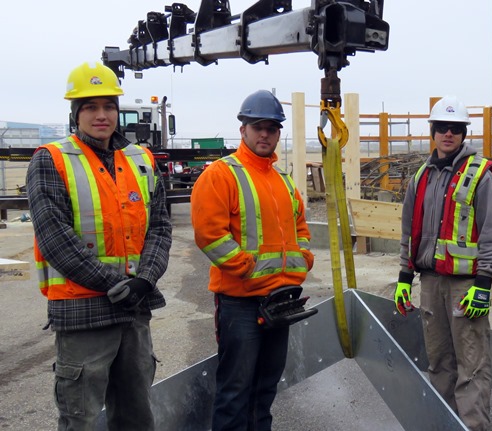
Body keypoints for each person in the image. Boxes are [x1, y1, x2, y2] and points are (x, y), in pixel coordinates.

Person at [26, 62, 172, 430]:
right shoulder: (51, 160)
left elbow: (159, 227)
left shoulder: (141, 159)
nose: (101, 115)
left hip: (134, 309)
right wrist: (115, 283)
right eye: (90, 107)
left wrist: (145, 280)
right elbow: (55, 238)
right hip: (83, 313)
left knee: (137, 416)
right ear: (75, 114)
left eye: (108, 106)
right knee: (82, 419)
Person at [190, 89, 314, 431]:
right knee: (235, 391)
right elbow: (209, 235)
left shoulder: (283, 182)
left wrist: (302, 259)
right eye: (257, 126)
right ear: (242, 129)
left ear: (278, 133)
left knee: (265, 390)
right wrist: (247, 269)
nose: (264, 134)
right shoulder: (221, 174)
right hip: (240, 303)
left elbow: (301, 228)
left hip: (281, 301)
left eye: (272, 128)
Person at [394, 96, 492, 430]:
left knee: (471, 365)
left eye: (455, 128)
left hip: (465, 285)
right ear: (432, 131)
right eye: (441, 127)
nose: (448, 134)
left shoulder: (481, 175)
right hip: (430, 283)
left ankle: (472, 427)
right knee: (439, 362)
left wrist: (484, 284)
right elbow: (408, 231)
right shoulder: (421, 178)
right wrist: (404, 276)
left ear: (463, 132)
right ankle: (441, 424)